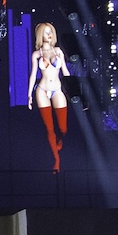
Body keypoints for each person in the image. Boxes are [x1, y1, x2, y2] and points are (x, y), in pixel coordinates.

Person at [27, 23, 71, 172]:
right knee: (49, 128)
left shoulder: (58, 51)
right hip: (42, 90)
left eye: (51, 31)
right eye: (46, 32)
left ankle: (59, 139)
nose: (49, 34)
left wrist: (72, 88)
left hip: (57, 89)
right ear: (41, 35)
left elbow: (65, 70)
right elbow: (33, 74)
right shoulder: (37, 54)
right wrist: (29, 95)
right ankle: (56, 160)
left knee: (63, 128)